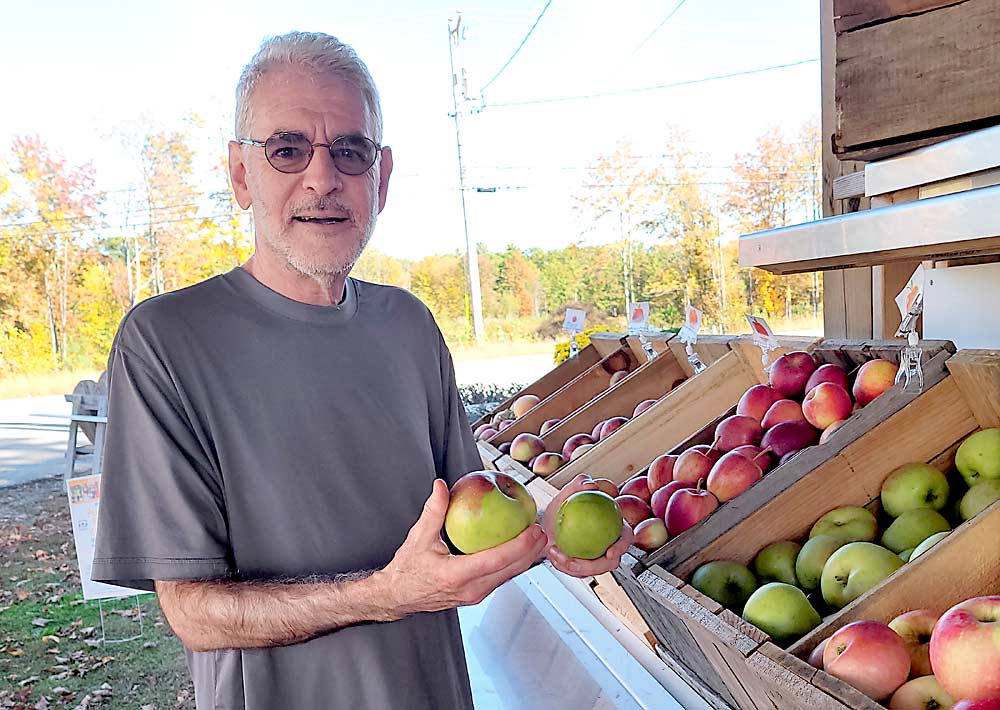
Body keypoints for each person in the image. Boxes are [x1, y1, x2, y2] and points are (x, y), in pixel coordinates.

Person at [92, 31, 632, 710]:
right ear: (239, 174)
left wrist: (548, 535)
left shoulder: (410, 327)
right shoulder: (167, 341)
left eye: (351, 150)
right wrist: (382, 597)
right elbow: (194, 614)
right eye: (288, 150)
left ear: (381, 177)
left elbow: (462, 528)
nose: (323, 178)